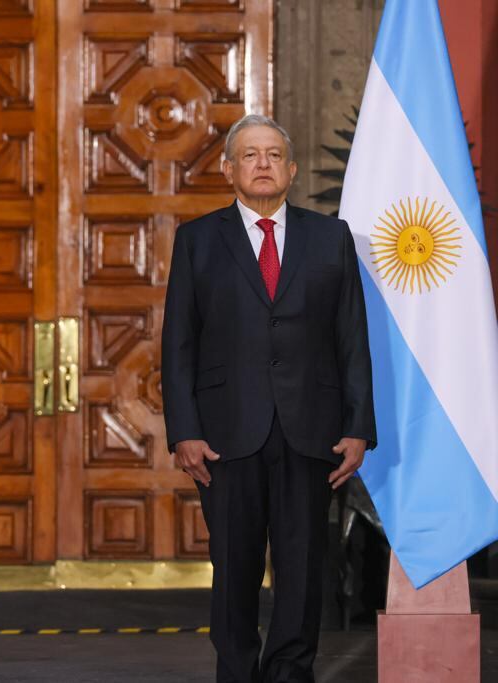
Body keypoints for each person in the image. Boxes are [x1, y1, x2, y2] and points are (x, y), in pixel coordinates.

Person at [160, 114, 376, 682]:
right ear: (229, 169)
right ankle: (236, 671)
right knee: (233, 566)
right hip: (225, 435)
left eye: (274, 155)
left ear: (292, 169)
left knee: (303, 567)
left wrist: (359, 428)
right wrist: (184, 430)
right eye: (250, 155)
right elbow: (178, 343)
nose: (263, 164)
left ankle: (289, 673)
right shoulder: (198, 240)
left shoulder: (331, 238)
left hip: (313, 430)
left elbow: (352, 338)